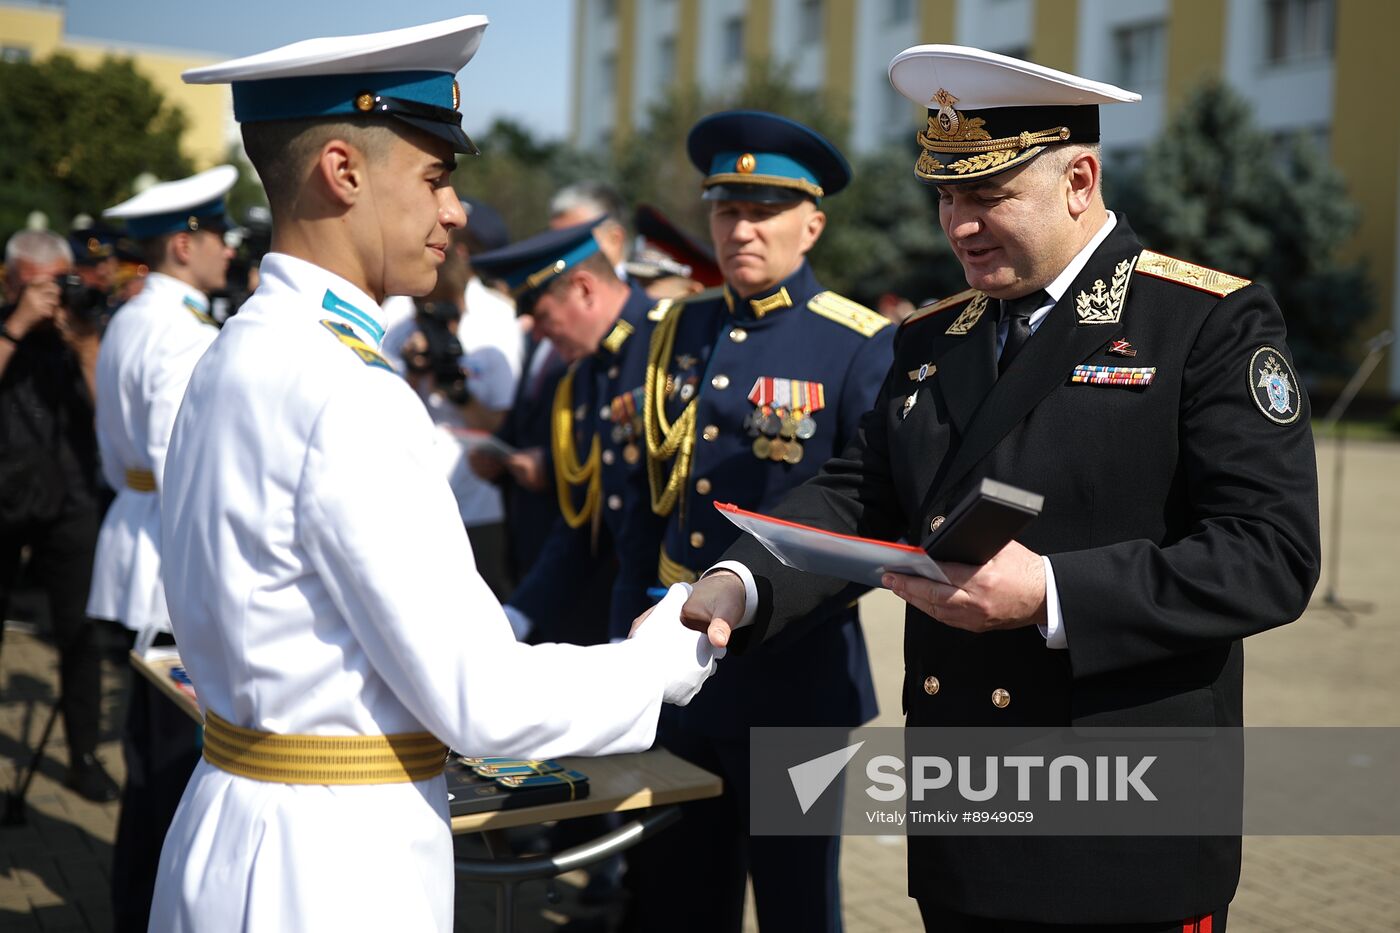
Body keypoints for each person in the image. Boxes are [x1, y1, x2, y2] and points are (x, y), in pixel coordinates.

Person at [680, 46, 1322, 932]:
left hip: (1123, 825)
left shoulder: (1204, 321)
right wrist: (744, 581)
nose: (959, 226)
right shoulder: (932, 337)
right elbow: (863, 490)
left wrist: (1051, 594)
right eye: (946, 197)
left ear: (1080, 179)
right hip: (968, 820)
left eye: (988, 197)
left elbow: (1270, 556)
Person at [152, 16, 721, 931]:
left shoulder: (238, 351)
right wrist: (654, 662)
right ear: (343, 171)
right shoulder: (349, 390)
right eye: (435, 177)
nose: (454, 211)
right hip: (331, 867)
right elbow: (482, 701)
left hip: (231, 826)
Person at [625, 110, 895, 933]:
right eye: (726, 209)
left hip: (794, 687)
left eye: (765, 210)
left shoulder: (857, 345)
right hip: (677, 681)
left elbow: (869, 521)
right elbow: (646, 502)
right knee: (672, 900)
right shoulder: (676, 327)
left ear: (811, 223)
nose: (742, 228)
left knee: (795, 908)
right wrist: (625, 654)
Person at [484, 218, 666, 645]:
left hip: (686, 620)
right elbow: (585, 519)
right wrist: (519, 615)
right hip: (627, 617)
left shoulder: (671, 342)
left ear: (584, 289)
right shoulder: (585, 374)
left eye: (544, 317)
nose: (540, 335)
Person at [0, 229, 115, 802]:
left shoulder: (83, 331)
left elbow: (113, 425)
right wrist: (16, 326)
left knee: (80, 633)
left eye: (59, 284)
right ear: (11, 280)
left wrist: (89, 348)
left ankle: (84, 754)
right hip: (4, 495)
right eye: (36, 286)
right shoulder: (7, 322)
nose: (51, 297)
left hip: (70, 497)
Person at [382, 225, 521, 600]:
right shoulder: (398, 323)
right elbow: (378, 411)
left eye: (448, 312)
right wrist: (414, 370)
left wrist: (459, 394)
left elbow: (503, 424)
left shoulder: (495, 321)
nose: (440, 321)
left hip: (478, 502)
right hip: (410, 500)